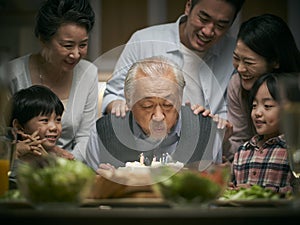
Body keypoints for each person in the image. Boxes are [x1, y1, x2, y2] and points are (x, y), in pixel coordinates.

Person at [102, 0, 245, 162]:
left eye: (221, 25)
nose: (208, 31)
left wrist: (219, 128)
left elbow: (234, 117)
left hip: (204, 158)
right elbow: (113, 94)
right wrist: (119, 105)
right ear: (189, 6)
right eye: (203, 19)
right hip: (147, 152)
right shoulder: (144, 40)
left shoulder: (235, 55)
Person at [86, 56, 230, 172]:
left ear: (180, 98)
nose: (159, 117)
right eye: (147, 106)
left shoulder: (206, 131)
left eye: (168, 105)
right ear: (128, 100)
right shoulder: (103, 133)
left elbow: (213, 192)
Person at [0, 0, 98, 162]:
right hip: (19, 170)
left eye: (83, 45)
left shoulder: (88, 74)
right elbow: (3, 137)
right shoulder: (11, 75)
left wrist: (64, 167)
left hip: (67, 170)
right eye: (67, 45)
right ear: (44, 40)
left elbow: (85, 136)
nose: (75, 54)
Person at [224, 13, 300, 162]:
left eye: (249, 62)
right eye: (236, 58)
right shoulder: (237, 85)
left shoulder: (295, 86)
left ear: (275, 61)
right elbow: (239, 142)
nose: (240, 68)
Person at [231, 73, 295, 193]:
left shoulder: (292, 150)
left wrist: (259, 191)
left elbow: (295, 191)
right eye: (254, 106)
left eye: (267, 106)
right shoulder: (243, 151)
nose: (257, 113)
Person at [9, 85, 74, 187]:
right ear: (19, 127)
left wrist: (49, 161)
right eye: (44, 120)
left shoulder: (59, 157)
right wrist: (15, 153)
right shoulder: (9, 154)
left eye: (58, 120)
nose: (54, 127)